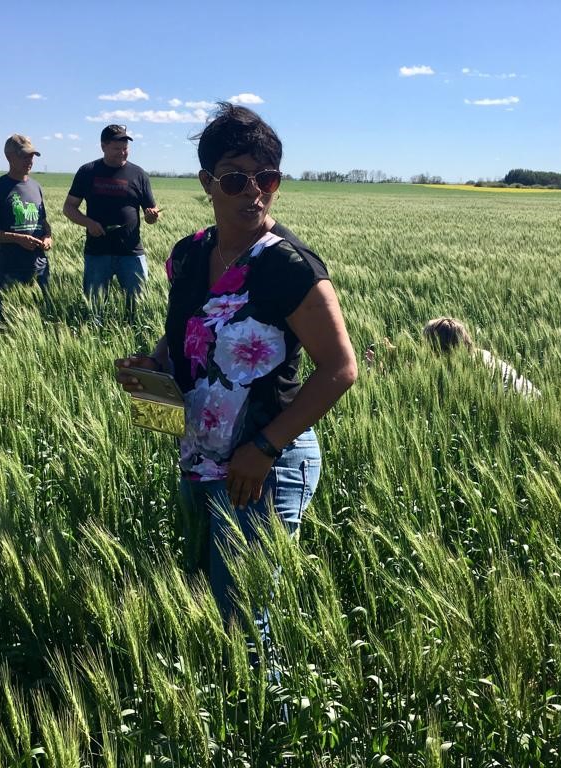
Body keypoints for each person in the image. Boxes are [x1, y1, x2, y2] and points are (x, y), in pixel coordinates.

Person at [116, 103, 358, 628]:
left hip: (265, 465)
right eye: (235, 179)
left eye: (266, 178)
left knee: (245, 620)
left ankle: (263, 709)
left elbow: (341, 367)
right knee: (206, 601)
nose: (254, 191)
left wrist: (264, 448)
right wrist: (153, 362)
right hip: (199, 455)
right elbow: (191, 329)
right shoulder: (188, 254)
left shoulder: (288, 265)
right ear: (207, 182)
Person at [63, 124, 160, 322]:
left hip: (131, 253)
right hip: (98, 252)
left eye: (125, 148)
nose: (122, 153)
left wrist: (152, 216)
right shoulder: (88, 171)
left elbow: (151, 214)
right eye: (117, 148)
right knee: (94, 311)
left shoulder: (139, 174)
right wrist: (88, 223)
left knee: (138, 310)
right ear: (103, 147)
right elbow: (69, 208)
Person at [0, 134, 52, 319]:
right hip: (10, 269)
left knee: (40, 318)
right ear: (9, 157)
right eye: (24, 156)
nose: (29, 160)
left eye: (32, 156)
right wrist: (18, 239)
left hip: (40, 268)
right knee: (4, 321)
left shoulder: (36, 187)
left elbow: (43, 222)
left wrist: (48, 237)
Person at [422, 316, 540, 397]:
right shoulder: (481, 354)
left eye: (427, 343)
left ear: (439, 346)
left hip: (526, 409)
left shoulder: (467, 368)